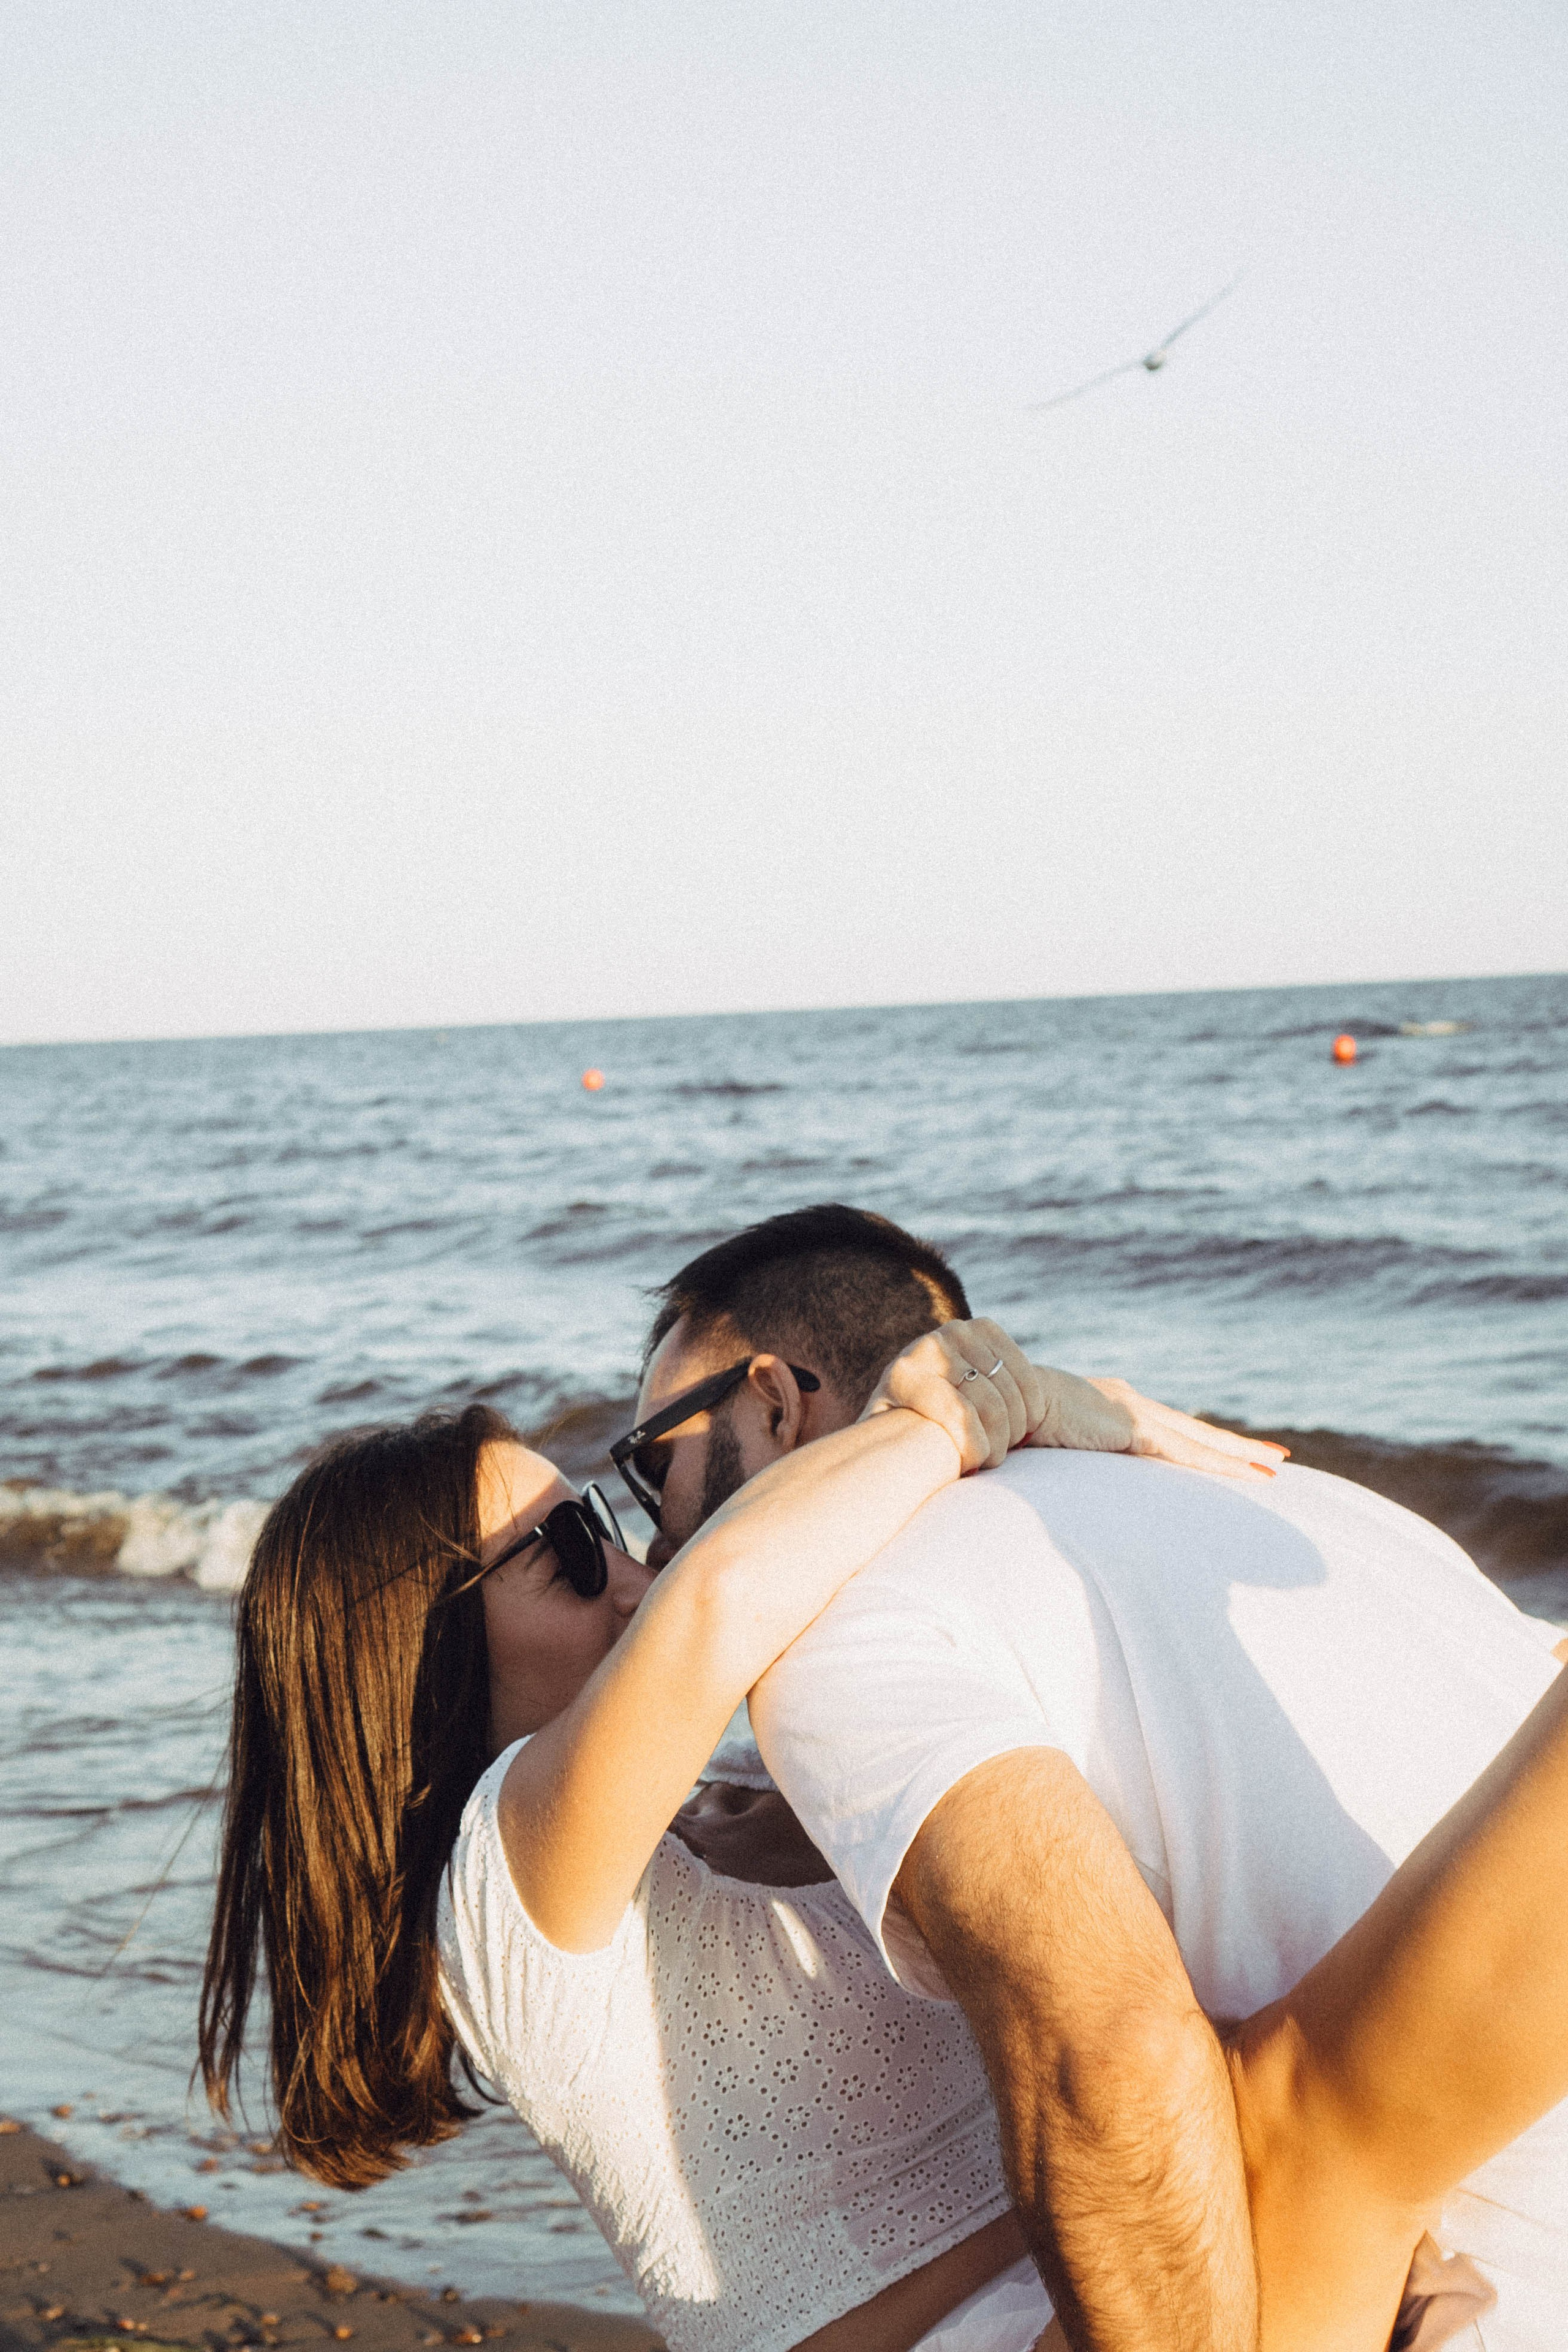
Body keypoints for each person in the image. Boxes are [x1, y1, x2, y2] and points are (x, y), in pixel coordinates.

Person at [199, 1319, 1275, 2352]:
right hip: (1069, 2310)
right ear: (416, 1657)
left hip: (1125, 2290)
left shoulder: (726, 1803)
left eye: (609, 1531)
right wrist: (957, 1410)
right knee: (1298, 2087)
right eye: (571, 1550)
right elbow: (719, 1601)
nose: (635, 1577)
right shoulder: (500, 1884)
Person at [627, 1206, 1568, 2350]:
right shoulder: (1279, 1492)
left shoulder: (849, 1629)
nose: (654, 1548)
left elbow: (1109, 2057)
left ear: (775, 1402)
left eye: (650, 1466)